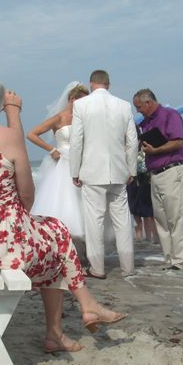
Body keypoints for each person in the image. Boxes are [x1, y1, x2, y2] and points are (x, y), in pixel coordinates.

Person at [0, 68, 127, 353]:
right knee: (58, 233)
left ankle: (70, 322)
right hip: (3, 247)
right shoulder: (4, 136)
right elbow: (26, 197)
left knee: (54, 238)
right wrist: (13, 113)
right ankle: (75, 315)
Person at [69, 70, 138, 278]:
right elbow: (132, 141)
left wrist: (75, 170)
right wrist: (132, 169)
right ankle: (128, 267)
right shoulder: (124, 105)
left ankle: (97, 268)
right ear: (108, 84)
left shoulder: (81, 105)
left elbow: (76, 141)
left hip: (92, 171)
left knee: (95, 222)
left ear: (91, 84)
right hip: (118, 171)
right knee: (122, 221)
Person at [27, 81, 89, 239]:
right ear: (73, 99)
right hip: (63, 161)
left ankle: (87, 245)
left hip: (81, 161)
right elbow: (32, 134)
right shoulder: (59, 117)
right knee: (65, 199)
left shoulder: (83, 118)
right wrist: (52, 149)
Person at [133, 88, 183, 271]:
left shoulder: (170, 115)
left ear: (148, 102)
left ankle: (179, 260)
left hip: (171, 170)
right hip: (154, 174)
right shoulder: (145, 122)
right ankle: (169, 258)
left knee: (174, 217)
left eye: (139, 107)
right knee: (160, 219)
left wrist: (156, 150)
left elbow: (178, 141)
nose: (138, 110)